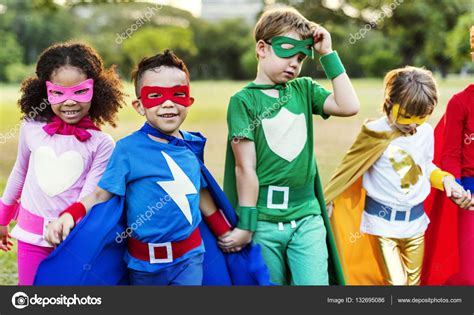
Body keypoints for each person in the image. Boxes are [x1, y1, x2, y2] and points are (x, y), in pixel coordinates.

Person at [46, 50, 250, 286]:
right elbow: (102, 194)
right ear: (139, 106)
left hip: (190, 258)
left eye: (178, 94)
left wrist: (224, 232)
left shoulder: (190, 146)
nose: (168, 104)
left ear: (189, 101)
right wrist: (70, 215)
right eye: (155, 95)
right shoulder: (128, 150)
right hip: (143, 264)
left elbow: (201, 193)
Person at [221, 7, 359, 285]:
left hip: (307, 218)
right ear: (262, 48)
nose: (294, 64)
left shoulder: (304, 89)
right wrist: (247, 224)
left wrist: (328, 54)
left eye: (300, 57)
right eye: (287, 52)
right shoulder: (243, 101)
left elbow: (349, 106)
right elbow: (244, 167)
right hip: (264, 222)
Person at [324, 66, 471, 285]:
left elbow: (426, 167)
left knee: (413, 283)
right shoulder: (375, 132)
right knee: (396, 284)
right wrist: (329, 200)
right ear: (389, 103)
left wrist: (446, 180)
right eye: (406, 116)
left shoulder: (424, 132)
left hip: (415, 224)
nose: (412, 124)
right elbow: (348, 169)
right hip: (382, 225)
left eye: (421, 117)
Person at [0, 42, 126, 285]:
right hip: (30, 237)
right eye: (58, 93)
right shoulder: (31, 129)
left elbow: (91, 195)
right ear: (44, 91)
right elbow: (20, 171)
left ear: (97, 90)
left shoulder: (102, 143)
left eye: (80, 92)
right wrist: (3, 218)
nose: (69, 102)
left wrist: (67, 226)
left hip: (74, 240)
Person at [422, 26, 474, 285]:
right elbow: (451, 154)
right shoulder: (461, 102)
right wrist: (457, 189)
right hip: (469, 191)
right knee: (467, 275)